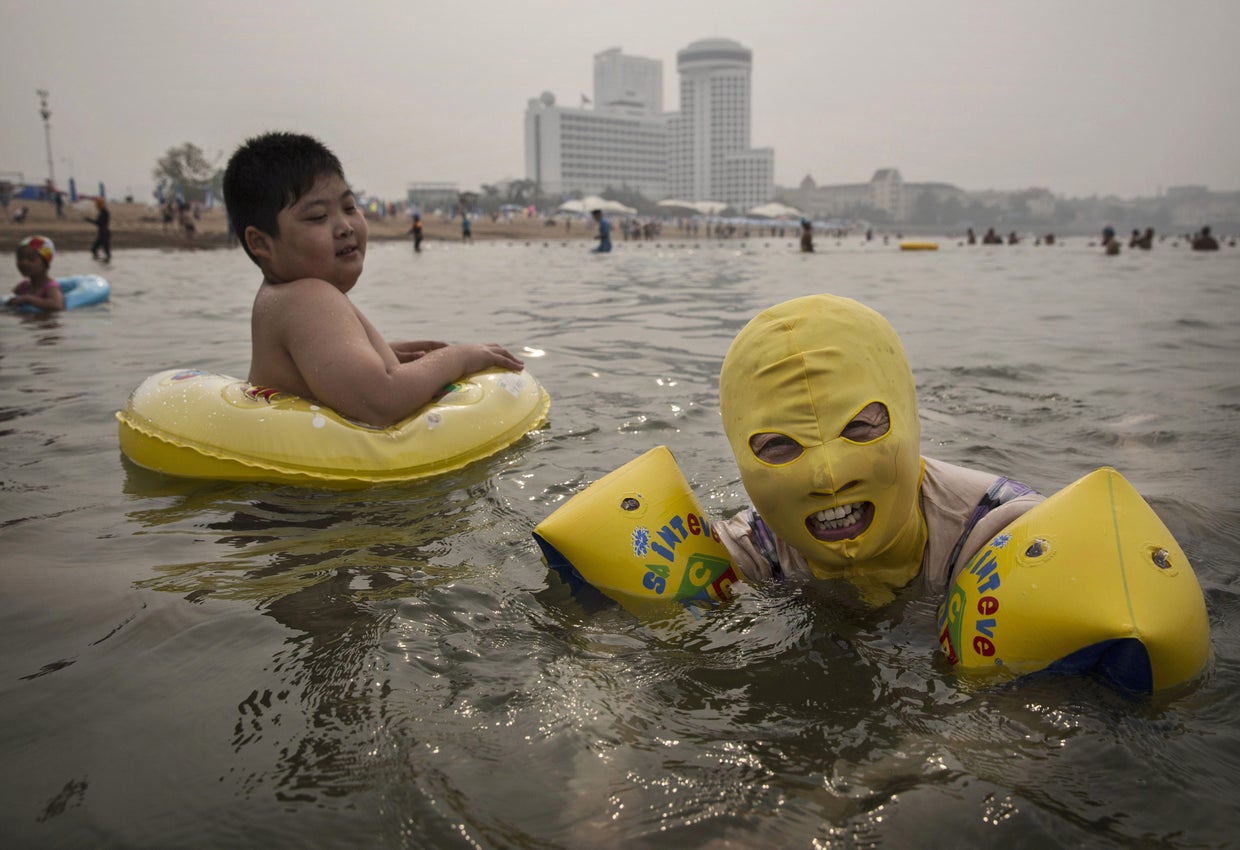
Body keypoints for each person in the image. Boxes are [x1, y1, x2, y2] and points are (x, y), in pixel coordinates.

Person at [714, 294, 1043, 607]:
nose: (830, 477)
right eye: (779, 445)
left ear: (909, 418)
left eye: (858, 428)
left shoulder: (998, 525)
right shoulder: (752, 548)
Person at [221, 131, 524, 428]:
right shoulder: (308, 297)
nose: (344, 227)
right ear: (261, 243)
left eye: (350, 207)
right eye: (316, 217)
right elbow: (381, 401)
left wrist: (375, 351)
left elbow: (315, 368)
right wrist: (459, 358)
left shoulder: (278, 296)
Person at [7, 235, 64, 312]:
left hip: (44, 322)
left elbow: (57, 305)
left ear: (45, 264)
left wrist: (28, 298)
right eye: (20, 258)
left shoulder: (50, 287)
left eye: (31, 259)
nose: (24, 263)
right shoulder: (22, 286)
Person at [85, 197, 112, 262]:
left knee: (98, 249)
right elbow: (99, 222)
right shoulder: (103, 212)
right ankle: (101, 260)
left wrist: (89, 220)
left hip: (104, 233)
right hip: (103, 233)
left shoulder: (104, 212)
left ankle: (101, 261)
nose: (96, 206)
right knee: (97, 249)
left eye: (97, 205)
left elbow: (99, 223)